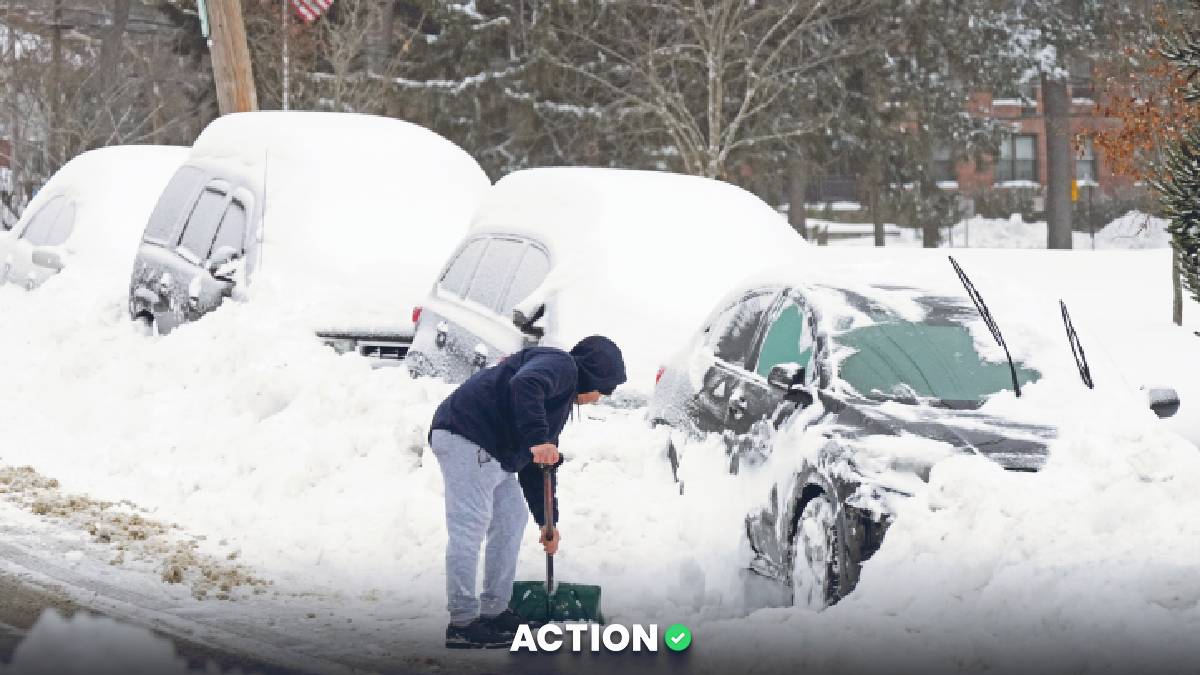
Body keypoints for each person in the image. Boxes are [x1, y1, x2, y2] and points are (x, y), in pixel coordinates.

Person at [428, 335, 626, 649]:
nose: (599, 399)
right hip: (466, 433)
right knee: (470, 526)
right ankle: (462, 622)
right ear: (593, 375)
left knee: (511, 519)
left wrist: (549, 523)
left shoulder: (558, 400)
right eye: (603, 390)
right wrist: (538, 440)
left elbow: (538, 470)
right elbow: (525, 384)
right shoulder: (560, 365)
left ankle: (494, 612)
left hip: (494, 449)